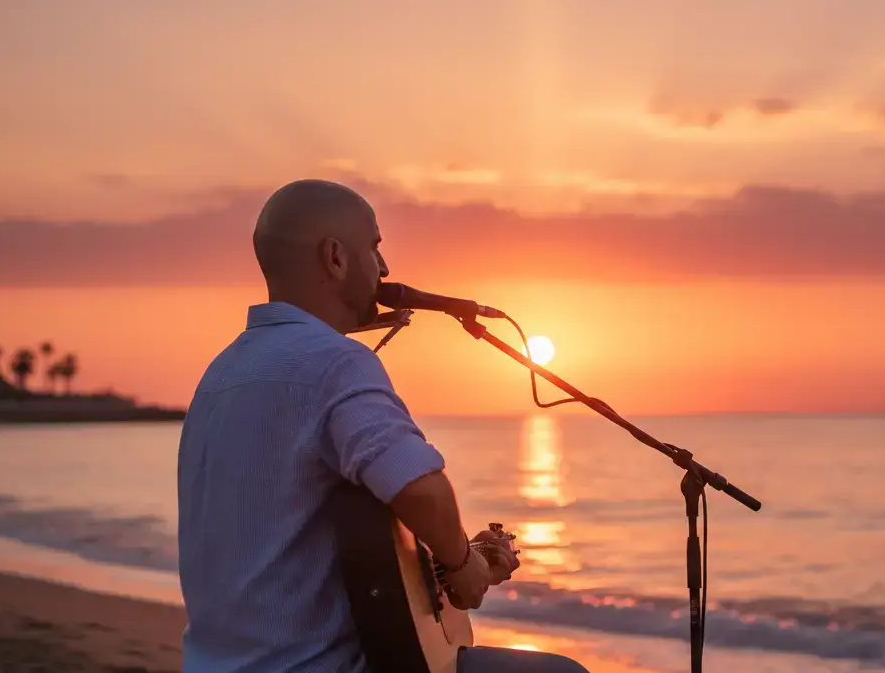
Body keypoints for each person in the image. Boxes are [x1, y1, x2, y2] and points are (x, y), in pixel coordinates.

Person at [177, 179, 589, 672]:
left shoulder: (220, 375)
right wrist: (462, 567)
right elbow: (422, 491)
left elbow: (307, 554)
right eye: (374, 247)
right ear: (334, 257)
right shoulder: (332, 362)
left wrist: (457, 558)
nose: (386, 268)